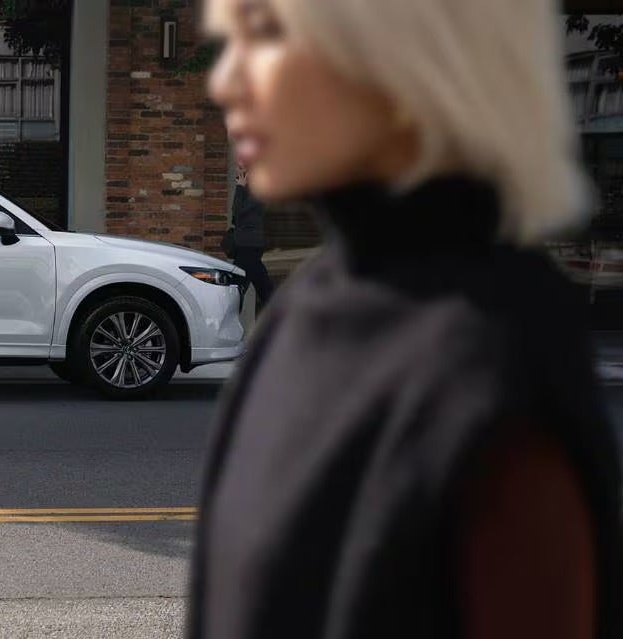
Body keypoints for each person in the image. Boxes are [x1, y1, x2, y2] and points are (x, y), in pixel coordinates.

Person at [188, 1, 621, 639]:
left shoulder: (490, 362)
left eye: (268, 32)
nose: (226, 82)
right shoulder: (312, 308)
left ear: (401, 57)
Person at [228, 159, 274, 311]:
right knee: (246, 285)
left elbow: (237, 212)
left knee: (237, 288)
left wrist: (240, 188)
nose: (236, 170)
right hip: (246, 244)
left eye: (240, 167)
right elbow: (236, 217)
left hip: (249, 245)